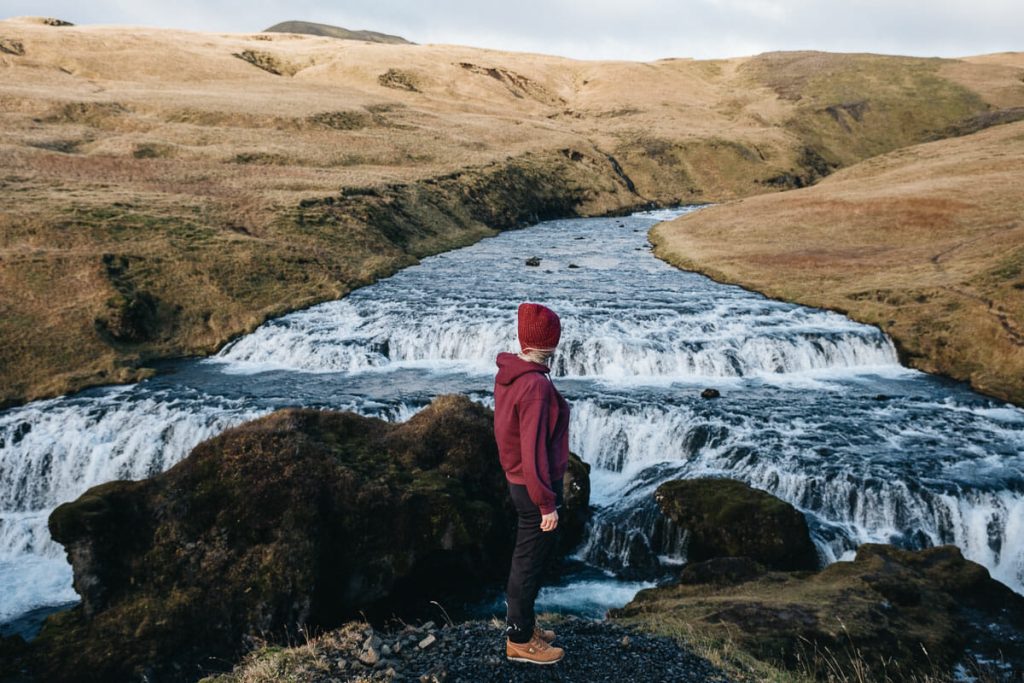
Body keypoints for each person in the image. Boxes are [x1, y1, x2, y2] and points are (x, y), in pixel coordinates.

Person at [493, 302, 571, 665]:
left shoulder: (513, 373)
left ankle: (525, 626)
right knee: (527, 563)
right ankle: (520, 640)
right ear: (552, 343)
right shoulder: (536, 386)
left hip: (520, 482)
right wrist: (546, 502)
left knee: (528, 558)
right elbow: (533, 449)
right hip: (533, 487)